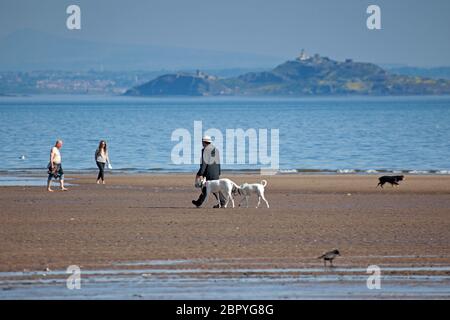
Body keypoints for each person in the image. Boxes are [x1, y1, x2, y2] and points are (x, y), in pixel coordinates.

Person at [192, 135, 226, 208]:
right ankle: (199, 202)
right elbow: (218, 162)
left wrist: (200, 173)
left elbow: (204, 163)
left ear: (204, 142)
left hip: (209, 172)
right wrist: (219, 171)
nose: (202, 143)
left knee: (211, 187)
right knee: (211, 187)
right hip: (216, 171)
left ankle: (222, 202)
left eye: (202, 142)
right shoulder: (215, 149)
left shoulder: (205, 150)